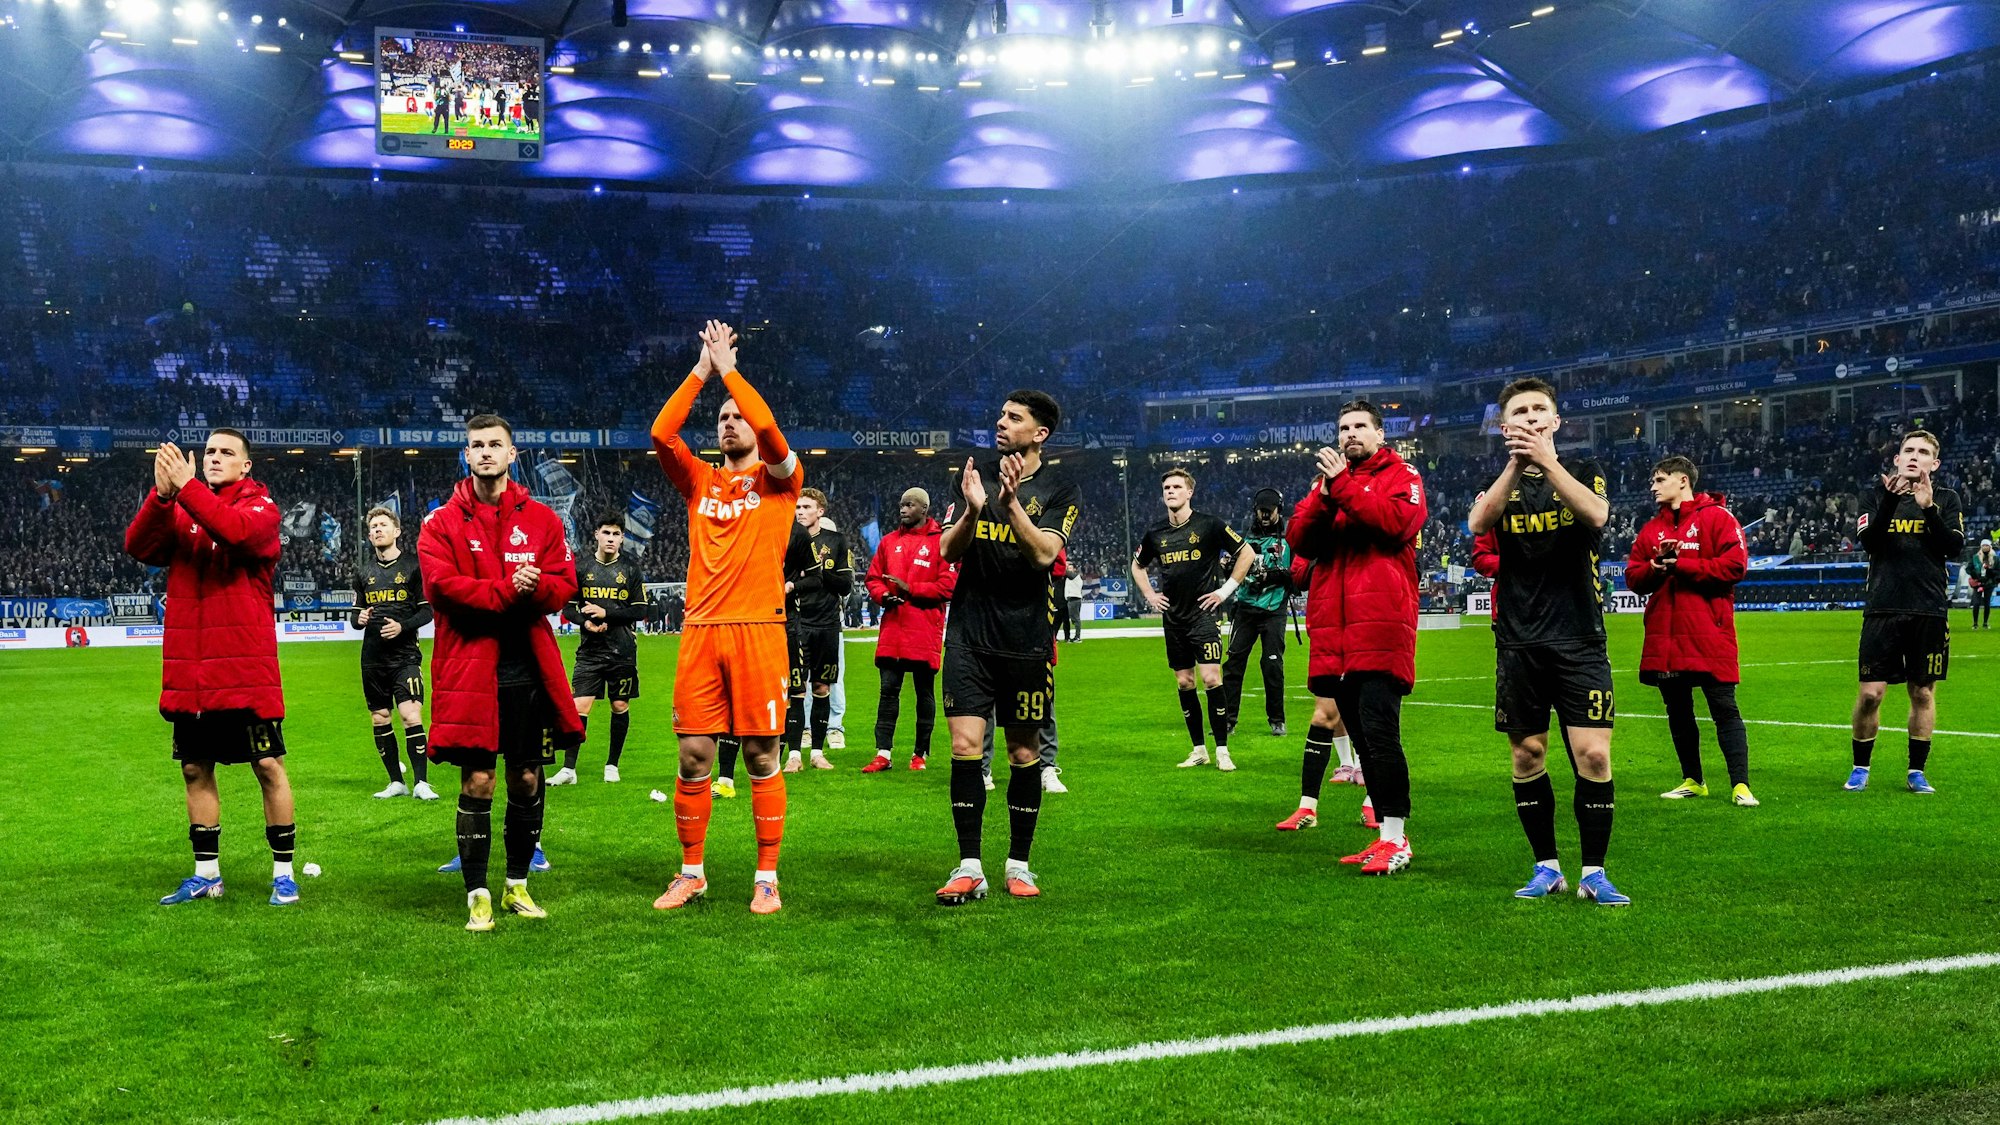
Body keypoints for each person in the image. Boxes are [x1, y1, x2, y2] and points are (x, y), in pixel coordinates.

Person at [649, 320, 797, 915]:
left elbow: (767, 426)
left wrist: (731, 372)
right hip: (701, 631)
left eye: (736, 415)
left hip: (760, 630)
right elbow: (662, 432)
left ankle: (767, 877)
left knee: (762, 757)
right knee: (693, 757)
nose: (729, 421)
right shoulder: (699, 480)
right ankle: (692, 872)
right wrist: (703, 372)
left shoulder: (781, 482)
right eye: (721, 417)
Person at [1466, 377, 1628, 906]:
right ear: (1505, 426)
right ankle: (1547, 867)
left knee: (1594, 756)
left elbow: (1597, 516)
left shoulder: (1584, 471)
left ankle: (1595, 872)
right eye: (1520, 412)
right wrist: (1516, 464)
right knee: (1528, 754)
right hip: (1518, 641)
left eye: (1540, 410)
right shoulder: (1502, 482)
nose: (1532, 417)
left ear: (1556, 421)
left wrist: (1547, 462)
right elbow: (1477, 522)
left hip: (1580, 636)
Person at [419, 415, 582, 932]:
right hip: (470, 671)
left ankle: (516, 886)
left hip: (526, 673)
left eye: (495, 445)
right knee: (479, 780)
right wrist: (509, 591)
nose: (485, 452)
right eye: (476, 445)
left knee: (528, 776)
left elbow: (565, 582)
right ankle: (477, 893)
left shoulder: (541, 520)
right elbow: (443, 589)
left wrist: (538, 589)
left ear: (514, 455)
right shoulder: (440, 523)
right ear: (466, 456)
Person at [125, 430, 299, 908]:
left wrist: (185, 489)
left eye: (227, 453)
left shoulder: (261, 509)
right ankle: (207, 874)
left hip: (245, 672)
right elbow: (138, 546)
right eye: (210, 452)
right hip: (194, 675)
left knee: (267, 765)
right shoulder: (182, 508)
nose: (215, 458)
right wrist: (161, 497)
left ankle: (283, 874)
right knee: (194, 769)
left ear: (246, 466)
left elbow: (236, 532)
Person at [936, 390, 1079, 905]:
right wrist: (974, 509)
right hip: (969, 636)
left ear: (1039, 433)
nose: (1001, 422)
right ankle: (969, 865)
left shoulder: (1061, 487)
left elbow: (1043, 554)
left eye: (1013, 417)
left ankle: (1019, 864)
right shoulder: (972, 474)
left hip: (1026, 640)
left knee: (1023, 752)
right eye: (1000, 414)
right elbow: (948, 552)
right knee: (964, 747)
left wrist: (1010, 504)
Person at [1284, 402, 1427, 875]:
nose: (1350, 434)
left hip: (1380, 624)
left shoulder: (1401, 474)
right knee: (1363, 740)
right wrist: (1327, 492)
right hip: (1336, 632)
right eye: (1343, 428)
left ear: (1380, 434)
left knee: (1381, 735)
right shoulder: (1327, 485)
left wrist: (1340, 485)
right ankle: (1385, 837)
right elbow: (1301, 540)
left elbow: (1396, 525)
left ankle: (1396, 839)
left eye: (1360, 426)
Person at [1624, 457, 1757, 807]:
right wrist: (1655, 566)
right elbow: (1633, 577)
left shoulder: (1718, 518)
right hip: (1666, 638)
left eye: (1660, 479)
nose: (1653, 486)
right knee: (1678, 711)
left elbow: (1735, 566)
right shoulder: (1651, 529)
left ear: (1683, 481)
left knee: (1724, 708)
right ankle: (1693, 780)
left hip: (1708, 634)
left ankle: (1740, 785)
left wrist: (1680, 565)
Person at [1845, 430, 1964, 795]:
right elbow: (1870, 542)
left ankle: (1916, 771)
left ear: (1934, 463)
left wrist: (1928, 508)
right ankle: (1860, 767)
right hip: (1882, 607)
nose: (1914, 456)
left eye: (1923, 452)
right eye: (1908, 450)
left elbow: (1954, 548)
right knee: (1870, 695)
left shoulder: (1946, 498)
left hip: (1928, 610)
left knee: (1923, 693)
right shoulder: (1874, 496)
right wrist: (1892, 503)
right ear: (1896, 459)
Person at [1130, 468, 1253, 771]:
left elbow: (1246, 553)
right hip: (1173, 619)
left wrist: (1224, 591)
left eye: (1176, 487)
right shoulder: (1156, 534)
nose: (1170, 491)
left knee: (1211, 678)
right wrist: (1150, 595)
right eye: (1166, 488)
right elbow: (1137, 566)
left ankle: (1223, 749)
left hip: (1204, 616)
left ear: (1189, 493)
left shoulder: (1209, 525)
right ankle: (1199, 749)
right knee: (1185, 682)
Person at [861, 487, 957, 773]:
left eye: (909, 505)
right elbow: (873, 578)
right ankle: (883, 753)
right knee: (888, 691)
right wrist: (882, 596)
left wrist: (910, 589)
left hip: (923, 630)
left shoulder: (942, 543)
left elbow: (947, 587)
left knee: (923, 692)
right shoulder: (889, 542)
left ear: (924, 509)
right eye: (901, 504)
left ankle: (920, 754)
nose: (902, 509)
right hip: (893, 630)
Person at [552, 514, 649, 785]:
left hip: (623, 650)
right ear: (596, 534)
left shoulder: (630, 569)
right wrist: (586, 622)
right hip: (591, 650)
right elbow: (568, 608)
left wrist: (606, 613)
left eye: (616, 534)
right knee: (579, 706)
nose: (611, 538)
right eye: (606, 532)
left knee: (620, 705)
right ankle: (569, 769)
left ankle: (612, 765)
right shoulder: (581, 567)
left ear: (621, 538)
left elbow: (640, 610)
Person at [351, 505, 436, 801]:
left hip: (404, 657)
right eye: (373, 526)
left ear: (396, 531)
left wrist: (402, 626)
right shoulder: (363, 573)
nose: (376, 530)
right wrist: (358, 619)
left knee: (410, 715)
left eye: (382, 525)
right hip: (372, 658)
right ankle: (396, 782)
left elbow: (427, 612)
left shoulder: (414, 568)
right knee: (379, 718)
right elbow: (355, 614)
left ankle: (422, 782)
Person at [782, 489, 850, 771]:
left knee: (822, 687)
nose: (800, 511)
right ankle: (794, 755)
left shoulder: (836, 541)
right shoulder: (789, 539)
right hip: (797, 624)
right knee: (796, 689)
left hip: (827, 624)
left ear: (820, 511)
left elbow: (845, 585)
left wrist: (819, 573)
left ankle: (818, 753)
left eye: (806, 507)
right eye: (797, 507)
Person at [1221, 487, 1293, 738]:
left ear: (1278, 510)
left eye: (1268, 511)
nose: (1263, 515)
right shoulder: (1244, 538)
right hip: (1245, 609)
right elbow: (1234, 573)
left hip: (1274, 609)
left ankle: (1277, 719)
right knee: (1233, 664)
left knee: (1272, 665)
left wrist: (1269, 575)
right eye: (1260, 511)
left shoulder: (1289, 539)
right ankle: (1228, 721)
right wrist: (1228, 567)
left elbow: (1297, 576)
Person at [1966, 539, 1994, 629]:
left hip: (1989, 583)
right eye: (1983, 545)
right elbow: (1968, 568)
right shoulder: (1975, 557)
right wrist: (1974, 575)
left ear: (1990, 547)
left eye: (1987, 545)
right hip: (1977, 583)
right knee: (1976, 603)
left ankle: (1985, 623)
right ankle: (1975, 623)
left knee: (1987, 603)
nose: (1985, 547)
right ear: (1981, 547)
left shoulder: (1994, 558)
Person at [1063, 567, 1083, 642]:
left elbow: (1065, 572)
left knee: (1076, 619)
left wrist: (1062, 565)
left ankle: (1077, 637)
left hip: (1074, 599)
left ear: (1074, 569)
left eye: (1070, 568)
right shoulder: (1071, 578)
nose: (1068, 569)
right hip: (1072, 600)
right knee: (1074, 619)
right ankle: (1076, 636)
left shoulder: (1075, 576)